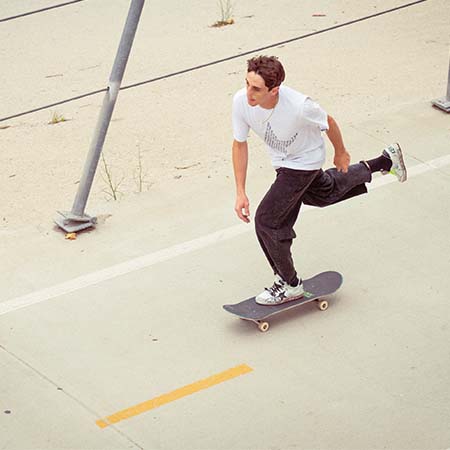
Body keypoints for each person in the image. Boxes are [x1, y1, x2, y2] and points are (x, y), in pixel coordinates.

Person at [231, 55, 407, 306]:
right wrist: (240, 191)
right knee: (324, 193)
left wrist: (341, 151)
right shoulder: (241, 101)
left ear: (274, 90)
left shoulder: (300, 106)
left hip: (304, 162)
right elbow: (239, 144)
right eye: (247, 83)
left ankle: (289, 284)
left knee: (268, 220)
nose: (249, 92)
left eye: (256, 88)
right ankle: (385, 161)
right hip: (283, 161)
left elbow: (329, 122)